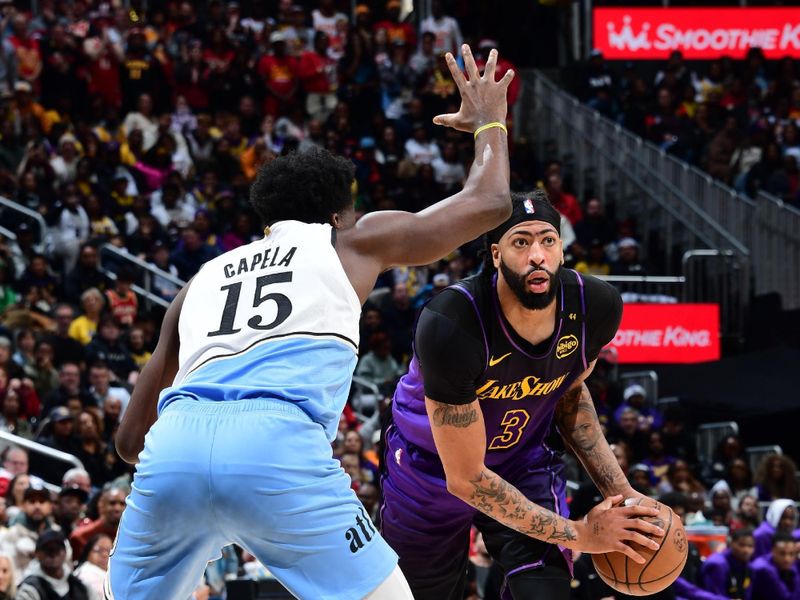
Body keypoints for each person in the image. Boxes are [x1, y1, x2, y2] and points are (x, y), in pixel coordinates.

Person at [108, 44, 516, 600]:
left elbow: (131, 442)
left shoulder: (198, 281)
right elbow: (490, 202)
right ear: (337, 213)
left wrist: (206, 489)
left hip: (173, 449)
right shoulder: (349, 240)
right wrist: (489, 120)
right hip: (278, 446)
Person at [381, 190, 665, 600]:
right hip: (430, 475)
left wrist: (623, 494)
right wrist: (581, 534)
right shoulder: (452, 323)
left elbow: (569, 397)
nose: (537, 255)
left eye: (548, 240)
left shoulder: (595, 306)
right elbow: (466, 478)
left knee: (545, 592)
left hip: (521, 460)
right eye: (521, 242)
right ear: (496, 254)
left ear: (562, 249)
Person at [14, 529, 91, 600]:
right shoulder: (29, 589)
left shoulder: (80, 585)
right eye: (47, 549)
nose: (53, 553)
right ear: (37, 554)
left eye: (57, 548)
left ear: (65, 552)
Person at [700, 527, 754, 598]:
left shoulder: (748, 564)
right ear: (731, 543)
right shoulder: (717, 565)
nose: (746, 550)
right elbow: (714, 597)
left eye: (750, 546)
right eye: (742, 545)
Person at [749, 531, 800, 600]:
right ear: (773, 551)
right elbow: (786, 598)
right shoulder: (763, 568)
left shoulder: (791, 565)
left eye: (791, 554)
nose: (787, 559)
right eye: (782, 553)